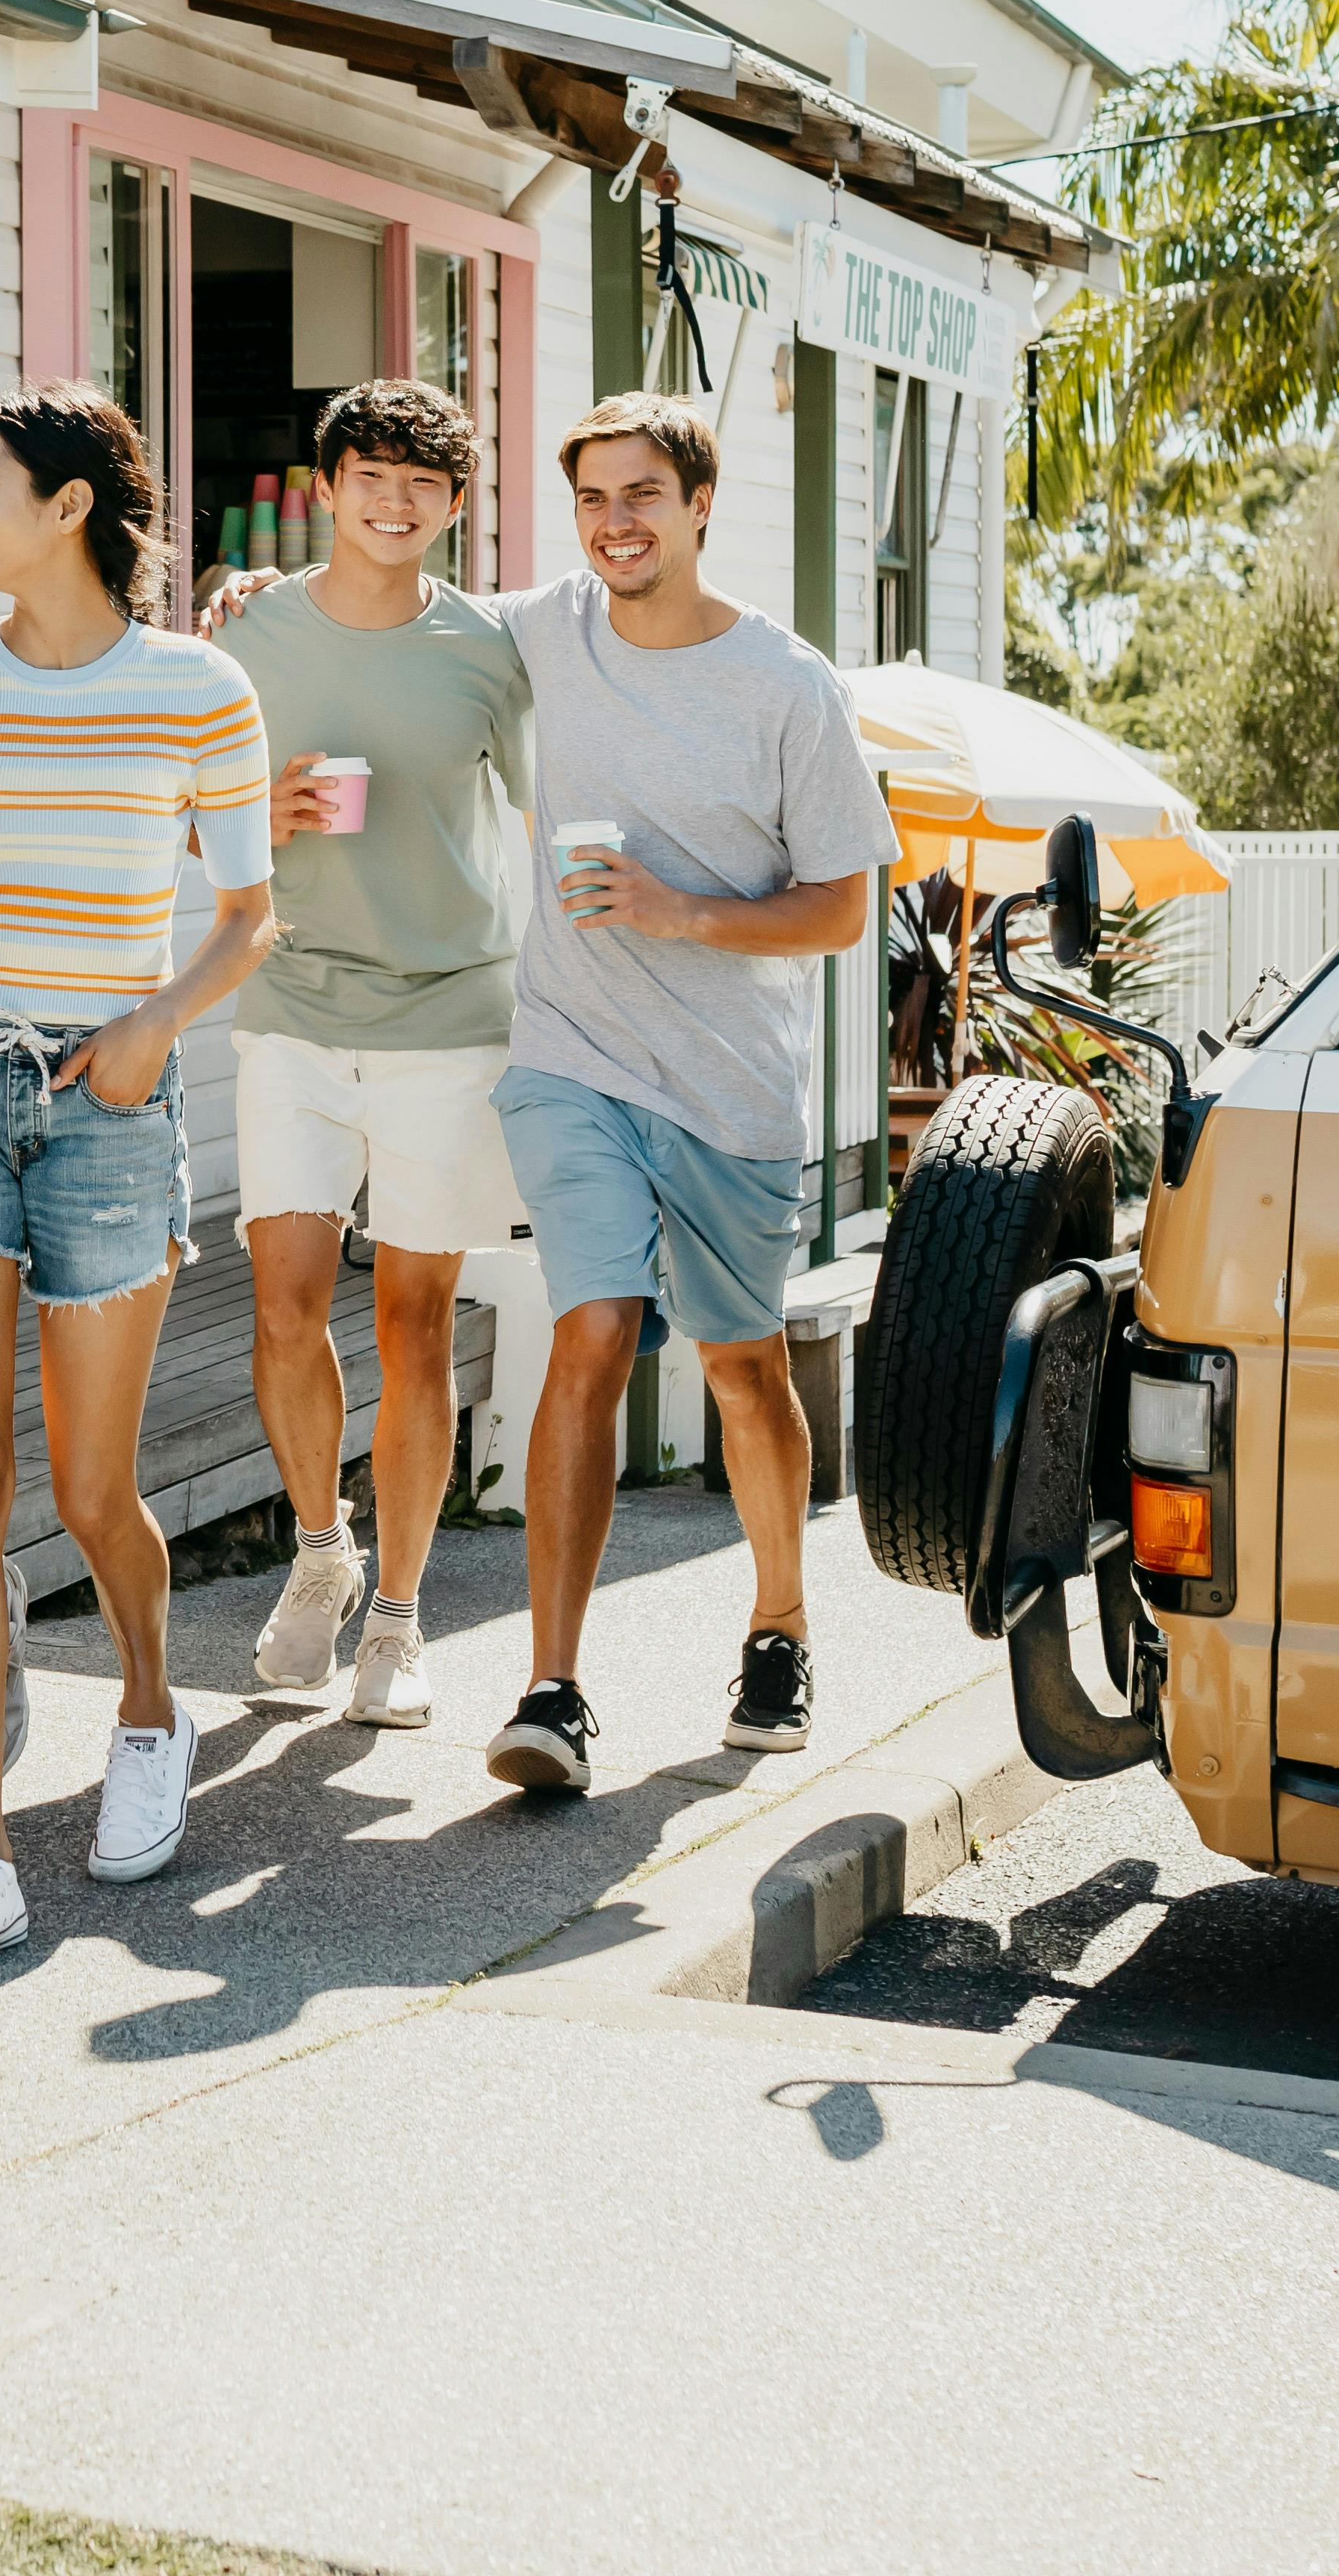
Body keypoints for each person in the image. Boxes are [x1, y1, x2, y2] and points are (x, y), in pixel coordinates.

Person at [0, 379, 279, 1971]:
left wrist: (158, 1023)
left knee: (95, 1488)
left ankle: (152, 1711)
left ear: (68, 505)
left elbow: (247, 912)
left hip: (109, 1094)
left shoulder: (195, 689)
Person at [481, 394, 890, 1796]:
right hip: (572, 1057)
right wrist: (267, 602)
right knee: (588, 1331)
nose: (616, 524)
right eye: (593, 498)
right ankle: (553, 1687)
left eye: (643, 495)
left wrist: (679, 912)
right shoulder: (545, 632)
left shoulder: (786, 686)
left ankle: (778, 1625)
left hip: (729, 1089)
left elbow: (842, 908)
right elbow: (399, 628)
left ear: (701, 504)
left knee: (740, 1364)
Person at [205, 378, 531, 1732]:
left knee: (409, 1325)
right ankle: (320, 1551)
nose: (395, 502)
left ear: (454, 508)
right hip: (289, 1003)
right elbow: (190, 822)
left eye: (424, 484)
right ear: (328, 487)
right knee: (283, 1306)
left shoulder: (490, 653)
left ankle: (398, 1616)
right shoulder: (246, 635)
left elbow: (548, 808)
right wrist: (254, 818)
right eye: (371, 476)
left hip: (447, 1019)